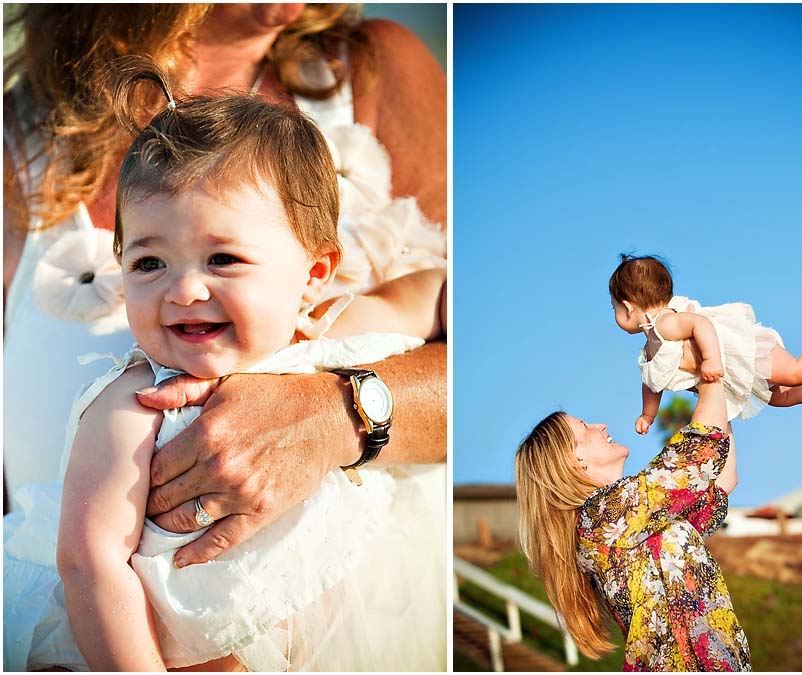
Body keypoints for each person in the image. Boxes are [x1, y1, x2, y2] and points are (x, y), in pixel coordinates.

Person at [4, 6, 446, 668]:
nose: (183, 290)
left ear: (314, 276)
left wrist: (343, 409)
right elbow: (90, 559)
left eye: (225, 260)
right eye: (148, 264)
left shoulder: (334, 326)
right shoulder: (134, 403)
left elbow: (438, 297)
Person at [515, 377, 752, 670]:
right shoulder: (601, 517)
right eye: (585, 428)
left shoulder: (633, 516)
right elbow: (694, 459)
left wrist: (719, 397)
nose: (600, 426)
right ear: (574, 460)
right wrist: (712, 375)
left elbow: (720, 481)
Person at [608, 254, 802, 433]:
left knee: (796, 372)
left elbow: (701, 325)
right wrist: (648, 414)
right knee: (780, 397)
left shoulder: (666, 323)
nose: (615, 314)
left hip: (743, 354)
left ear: (629, 308)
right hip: (737, 376)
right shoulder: (651, 351)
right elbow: (652, 383)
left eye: (614, 308)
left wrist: (712, 358)